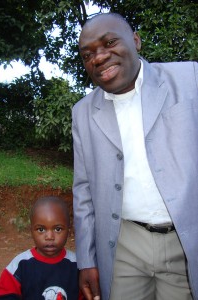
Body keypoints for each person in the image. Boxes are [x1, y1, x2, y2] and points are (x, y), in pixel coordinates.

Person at [72, 12, 198, 300]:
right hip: (123, 246)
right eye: (88, 54)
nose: (99, 57)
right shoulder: (82, 112)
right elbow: (83, 191)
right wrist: (87, 260)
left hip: (187, 240)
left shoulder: (190, 78)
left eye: (110, 42)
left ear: (136, 41)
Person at [0, 195, 83, 300]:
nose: (49, 237)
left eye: (58, 229)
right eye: (41, 229)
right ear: (31, 231)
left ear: (68, 230)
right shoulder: (20, 265)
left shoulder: (77, 266)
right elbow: (5, 296)